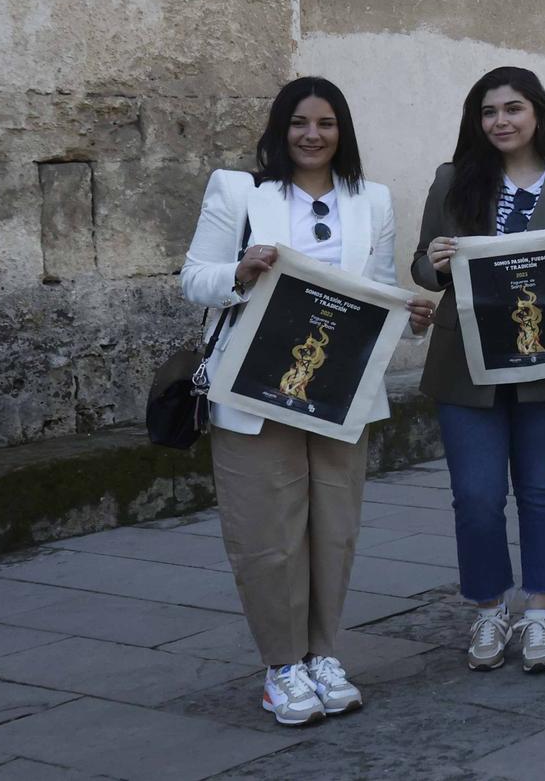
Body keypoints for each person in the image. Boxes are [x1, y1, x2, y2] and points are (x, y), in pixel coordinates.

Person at [181, 77, 433, 725]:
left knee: (334, 528)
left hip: (339, 392)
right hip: (254, 388)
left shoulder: (370, 200)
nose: (312, 134)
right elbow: (193, 280)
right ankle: (282, 666)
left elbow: (375, 291)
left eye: (325, 122)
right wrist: (240, 271)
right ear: (279, 128)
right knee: (267, 532)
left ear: (342, 131)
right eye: (299, 122)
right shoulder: (239, 191)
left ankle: (323, 654)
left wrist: (412, 315)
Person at [414, 67, 545, 674]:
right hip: (465, 359)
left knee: (542, 489)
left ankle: (542, 613)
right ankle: (489, 609)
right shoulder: (454, 179)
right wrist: (437, 262)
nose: (501, 121)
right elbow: (423, 268)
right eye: (489, 111)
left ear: (537, 114)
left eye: (513, 109)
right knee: (475, 495)